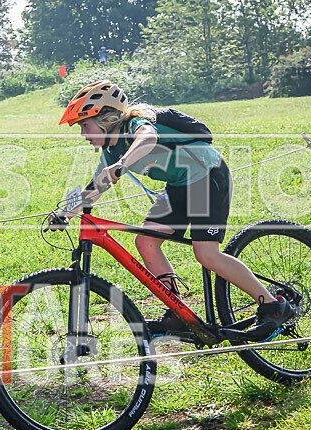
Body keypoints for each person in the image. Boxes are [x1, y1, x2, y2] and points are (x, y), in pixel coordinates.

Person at [57, 80, 294, 341]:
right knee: (146, 241)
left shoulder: (135, 124)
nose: (83, 133)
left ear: (105, 118)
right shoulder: (111, 150)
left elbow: (148, 138)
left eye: (84, 125)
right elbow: (96, 186)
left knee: (206, 253)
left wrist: (122, 165)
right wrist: (65, 214)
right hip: (179, 185)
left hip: (206, 175)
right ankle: (178, 314)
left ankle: (273, 306)